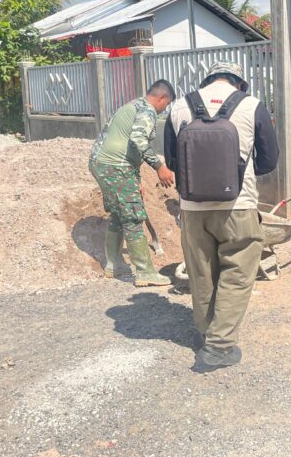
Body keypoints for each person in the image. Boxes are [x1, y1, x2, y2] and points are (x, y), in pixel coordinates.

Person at [164, 60, 278, 372]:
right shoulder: (253, 106)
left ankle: (206, 334)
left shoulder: (178, 107)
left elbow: (173, 161)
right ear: (238, 83)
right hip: (237, 206)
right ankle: (218, 348)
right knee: (237, 274)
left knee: (202, 274)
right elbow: (269, 161)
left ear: (208, 80)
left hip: (192, 209)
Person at [89, 80, 176, 287]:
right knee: (133, 216)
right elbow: (138, 140)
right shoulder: (147, 111)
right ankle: (145, 271)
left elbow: (123, 143)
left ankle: (114, 264)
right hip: (115, 167)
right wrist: (159, 167)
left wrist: (134, 179)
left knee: (120, 214)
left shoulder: (132, 105)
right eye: (167, 103)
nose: (166, 109)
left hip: (102, 164)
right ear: (161, 98)